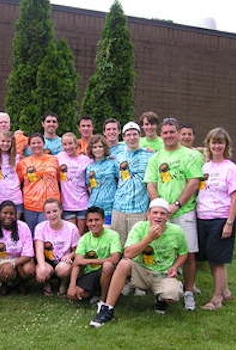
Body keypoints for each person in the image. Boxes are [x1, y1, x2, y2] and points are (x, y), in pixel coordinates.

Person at [89, 198, 188, 328]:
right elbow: (128, 254)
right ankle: (108, 308)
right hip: (141, 271)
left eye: (162, 213)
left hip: (163, 274)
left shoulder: (176, 231)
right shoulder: (140, 227)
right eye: (155, 212)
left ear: (167, 216)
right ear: (148, 214)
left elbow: (183, 254)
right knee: (124, 264)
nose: (158, 216)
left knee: (172, 294)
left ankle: (161, 300)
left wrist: (175, 267)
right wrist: (148, 238)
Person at [144, 117, 203, 311]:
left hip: (183, 212)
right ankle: (163, 292)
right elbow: (151, 184)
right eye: (165, 132)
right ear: (161, 135)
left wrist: (176, 205)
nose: (169, 135)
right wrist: (160, 207)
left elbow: (193, 182)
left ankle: (188, 292)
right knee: (161, 251)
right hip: (162, 214)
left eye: (172, 132)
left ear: (178, 133)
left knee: (188, 254)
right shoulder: (156, 157)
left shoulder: (190, 155)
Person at [196, 127, 236, 310]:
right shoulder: (205, 167)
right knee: (211, 258)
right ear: (208, 144)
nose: (217, 146)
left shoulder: (231, 169)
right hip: (203, 217)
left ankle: (216, 300)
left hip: (221, 218)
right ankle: (224, 290)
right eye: (214, 142)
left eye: (220, 142)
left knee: (217, 261)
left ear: (226, 145)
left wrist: (229, 223)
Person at [67, 207, 121, 304]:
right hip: (90, 273)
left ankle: (103, 299)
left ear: (103, 220)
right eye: (90, 221)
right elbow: (77, 262)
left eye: (97, 220)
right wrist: (72, 286)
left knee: (107, 266)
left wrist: (88, 261)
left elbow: (115, 259)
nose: (93, 223)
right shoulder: (84, 238)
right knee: (78, 294)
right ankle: (94, 293)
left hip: (107, 272)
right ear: (86, 223)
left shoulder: (113, 235)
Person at [111, 122, 153, 244]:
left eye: (135, 134)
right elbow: (115, 178)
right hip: (119, 207)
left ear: (140, 136)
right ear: (123, 138)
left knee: (136, 244)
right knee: (118, 244)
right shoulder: (117, 157)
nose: (132, 138)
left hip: (139, 209)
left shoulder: (150, 155)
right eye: (128, 135)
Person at [34, 198, 79, 296]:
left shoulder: (72, 228)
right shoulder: (40, 227)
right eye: (48, 212)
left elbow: (77, 250)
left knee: (63, 269)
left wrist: (70, 255)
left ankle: (64, 284)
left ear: (61, 211)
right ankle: (47, 284)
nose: (52, 215)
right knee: (41, 271)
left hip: (64, 261)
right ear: (45, 214)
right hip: (47, 261)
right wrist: (41, 267)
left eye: (55, 211)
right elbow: (39, 249)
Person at [17, 133, 60, 233]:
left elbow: (59, 179)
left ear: (44, 144)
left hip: (50, 204)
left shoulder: (54, 159)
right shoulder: (23, 163)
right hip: (30, 204)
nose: (36, 145)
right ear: (29, 146)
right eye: (33, 143)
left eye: (39, 142)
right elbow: (19, 182)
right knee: (31, 235)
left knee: (47, 235)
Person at [56, 132, 92, 235]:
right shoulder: (59, 158)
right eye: (65, 144)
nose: (68, 147)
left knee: (80, 235)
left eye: (70, 143)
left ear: (76, 144)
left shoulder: (85, 160)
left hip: (82, 203)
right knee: (71, 235)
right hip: (67, 204)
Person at [85, 135, 118, 227]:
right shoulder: (89, 167)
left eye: (100, 146)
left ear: (105, 148)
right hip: (94, 206)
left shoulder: (113, 163)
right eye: (94, 147)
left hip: (110, 206)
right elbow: (89, 186)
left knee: (108, 233)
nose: (97, 149)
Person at [0, 131, 23, 218]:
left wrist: (19, 133)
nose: (5, 144)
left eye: (8, 141)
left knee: (15, 226)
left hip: (15, 197)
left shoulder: (17, 157)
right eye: (3, 141)